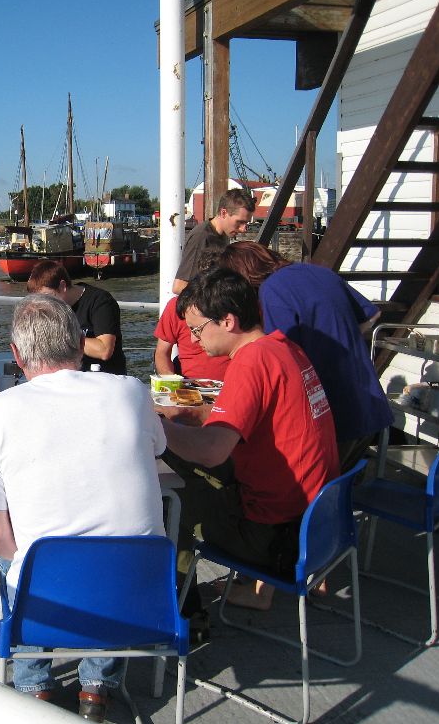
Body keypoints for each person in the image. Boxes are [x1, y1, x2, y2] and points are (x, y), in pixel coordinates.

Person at [0, 294, 166, 722]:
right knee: (112, 541)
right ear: (79, 341)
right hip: (139, 593)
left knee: (17, 557)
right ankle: (97, 689)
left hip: (50, 594)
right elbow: (159, 447)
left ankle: (35, 689)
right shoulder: (132, 392)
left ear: (16, 356)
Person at [158, 268, 338, 617]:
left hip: (273, 538)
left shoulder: (250, 362)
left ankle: (182, 615)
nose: (193, 341)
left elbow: (212, 451)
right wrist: (196, 412)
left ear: (227, 321)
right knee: (196, 465)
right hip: (316, 524)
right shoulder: (283, 347)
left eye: (197, 330)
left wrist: (154, 426)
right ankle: (249, 592)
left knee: (171, 500)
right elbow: (250, 415)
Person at [217, 241, 392, 470]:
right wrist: (338, 340)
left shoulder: (273, 289)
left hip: (332, 409)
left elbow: (278, 353)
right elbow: (371, 314)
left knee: (322, 493)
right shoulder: (320, 272)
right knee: (346, 486)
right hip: (367, 397)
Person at [26, 260, 128, 374]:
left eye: (46, 297)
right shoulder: (49, 309)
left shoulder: (100, 302)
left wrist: (60, 335)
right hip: (70, 379)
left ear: (62, 286)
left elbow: (104, 350)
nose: (43, 304)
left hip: (105, 377)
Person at [154, 245, 229, 379]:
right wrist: (171, 381)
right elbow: (162, 353)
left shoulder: (238, 307)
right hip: (189, 387)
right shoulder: (177, 306)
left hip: (229, 386)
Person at [172, 188, 255, 294]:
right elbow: (179, 286)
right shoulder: (201, 236)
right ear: (223, 213)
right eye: (239, 222)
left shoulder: (223, 235)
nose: (243, 229)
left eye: (246, 223)